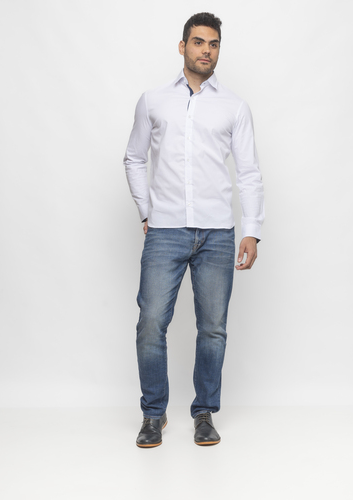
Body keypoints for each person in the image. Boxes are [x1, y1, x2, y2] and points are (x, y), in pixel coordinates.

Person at [124, 12, 264, 447]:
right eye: (199, 42)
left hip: (218, 233)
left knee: (213, 328)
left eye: (214, 43)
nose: (207, 50)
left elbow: (249, 173)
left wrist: (251, 229)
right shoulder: (153, 101)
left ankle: (204, 412)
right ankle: (153, 414)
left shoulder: (234, 107)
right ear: (182, 46)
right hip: (164, 230)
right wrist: (146, 210)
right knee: (151, 323)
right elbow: (134, 157)